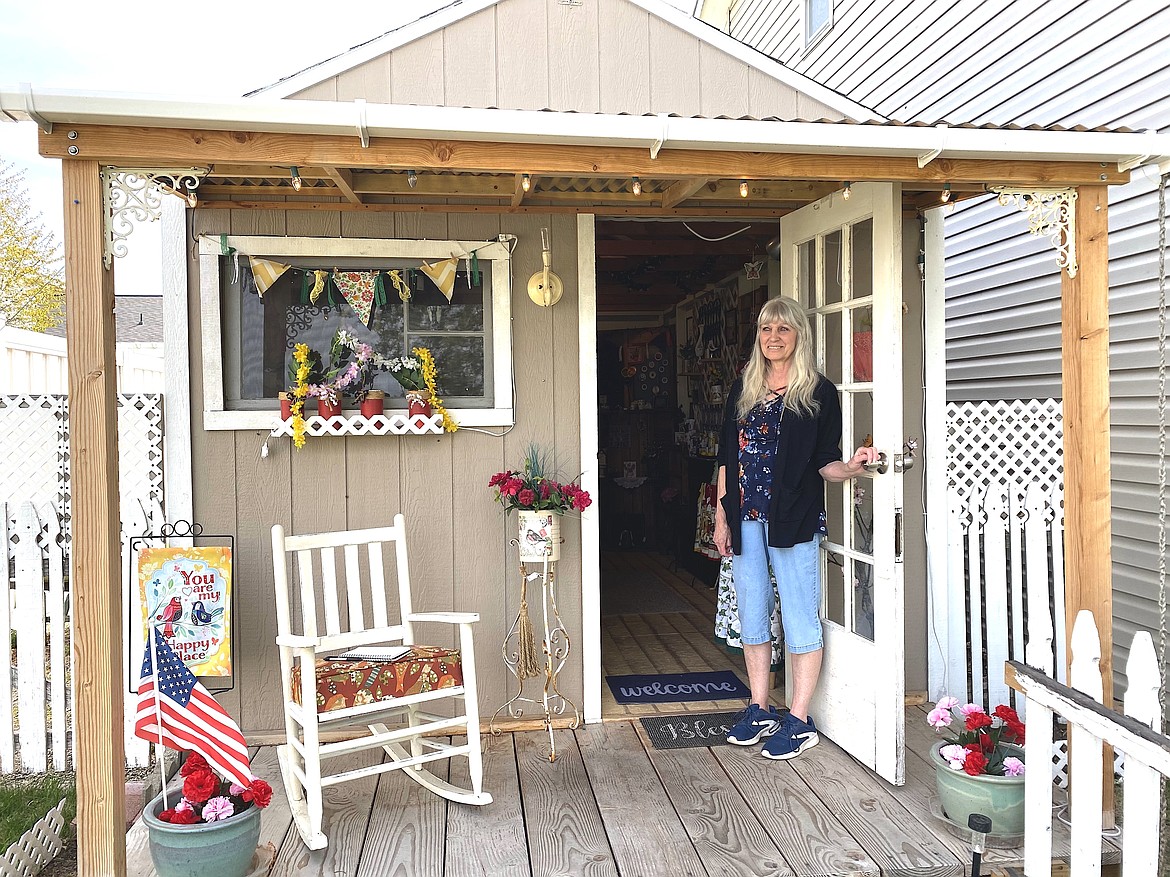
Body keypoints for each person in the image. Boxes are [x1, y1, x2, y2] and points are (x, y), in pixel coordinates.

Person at [713, 296, 878, 760]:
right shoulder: (744, 389)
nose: (773, 338)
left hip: (794, 518)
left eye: (783, 329)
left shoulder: (819, 392)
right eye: (766, 329)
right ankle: (759, 706)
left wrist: (852, 468)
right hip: (745, 516)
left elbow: (825, 462)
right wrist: (721, 515)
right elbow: (728, 458)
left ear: (798, 336)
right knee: (753, 613)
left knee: (800, 615)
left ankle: (799, 718)